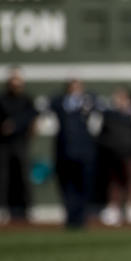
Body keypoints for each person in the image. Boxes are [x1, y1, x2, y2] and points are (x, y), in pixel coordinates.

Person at [0, 67, 38, 224]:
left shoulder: (27, 100)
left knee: (23, 176)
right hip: (3, 144)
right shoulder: (0, 99)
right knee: (1, 177)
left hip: (20, 142)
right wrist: (2, 129)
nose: (16, 84)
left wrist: (16, 125)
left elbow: (32, 119)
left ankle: (27, 208)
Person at [49, 79, 100, 229]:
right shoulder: (59, 103)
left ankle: (81, 217)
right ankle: (70, 217)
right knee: (67, 186)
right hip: (65, 153)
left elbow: (99, 115)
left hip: (85, 153)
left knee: (84, 186)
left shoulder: (90, 103)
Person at [98, 87, 131, 226]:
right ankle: (113, 209)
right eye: (118, 98)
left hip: (129, 153)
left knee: (130, 180)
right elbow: (103, 134)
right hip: (113, 153)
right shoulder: (109, 115)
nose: (119, 101)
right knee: (114, 182)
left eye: (122, 98)